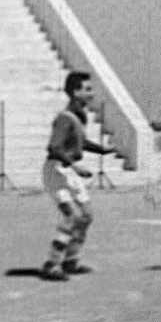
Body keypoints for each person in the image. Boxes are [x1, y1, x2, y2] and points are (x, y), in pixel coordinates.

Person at [40, 71, 115, 281]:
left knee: (87, 215)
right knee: (71, 216)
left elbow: (83, 142)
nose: (91, 93)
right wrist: (75, 166)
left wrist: (104, 150)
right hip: (56, 172)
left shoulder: (78, 116)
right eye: (87, 89)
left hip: (68, 171)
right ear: (75, 92)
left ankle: (70, 261)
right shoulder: (64, 119)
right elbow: (54, 147)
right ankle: (52, 264)